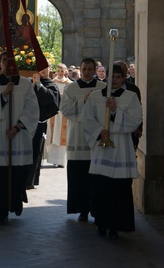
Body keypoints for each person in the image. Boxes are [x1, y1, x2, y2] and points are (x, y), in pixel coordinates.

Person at [83, 64, 142, 238]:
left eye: (118, 76)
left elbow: (135, 120)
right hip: (103, 146)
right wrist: (99, 131)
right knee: (102, 187)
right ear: (106, 77)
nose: (115, 80)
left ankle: (116, 225)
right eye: (112, 76)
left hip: (122, 147)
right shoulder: (95, 97)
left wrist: (116, 110)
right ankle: (102, 222)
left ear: (123, 78)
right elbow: (87, 119)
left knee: (119, 189)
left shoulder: (131, 97)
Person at [0, 50, 39, 225]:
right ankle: (1, 210)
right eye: (4, 60)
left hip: (18, 137)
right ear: (0, 63)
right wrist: (4, 94)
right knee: (0, 174)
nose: (8, 63)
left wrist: (18, 127)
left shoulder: (26, 84)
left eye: (10, 60)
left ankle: (16, 201)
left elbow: (33, 109)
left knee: (17, 172)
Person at [60, 57, 106, 222]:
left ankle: (97, 209)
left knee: (96, 178)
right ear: (80, 69)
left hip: (96, 139)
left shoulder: (103, 87)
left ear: (95, 70)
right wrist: (84, 101)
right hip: (77, 137)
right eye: (84, 69)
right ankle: (82, 209)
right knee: (78, 176)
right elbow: (64, 109)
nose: (86, 72)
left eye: (89, 69)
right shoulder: (71, 88)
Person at [26, 65, 60, 189]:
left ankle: (30, 180)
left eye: (46, 67)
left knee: (36, 152)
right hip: (25, 123)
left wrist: (39, 85)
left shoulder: (51, 84)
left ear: (50, 69)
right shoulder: (29, 82)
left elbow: (50, 100)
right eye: (41, 66)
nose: (43, 69)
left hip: (39, 124)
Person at [47, 63, 72, 167]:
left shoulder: (69, 83)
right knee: (54, 135)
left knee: (61, 135)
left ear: (65, 71)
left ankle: (61, 161)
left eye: (62, 71)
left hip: (64, 112)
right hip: (54, 111)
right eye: (58, 71)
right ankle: (53, 159)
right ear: (56, 71)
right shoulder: (53, 82)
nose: (60, 73)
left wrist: (63, 96)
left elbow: (71, 97)